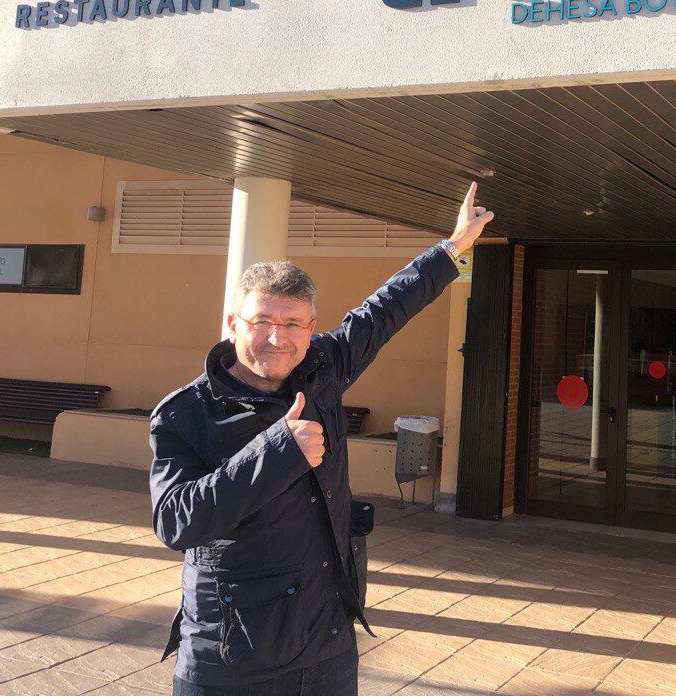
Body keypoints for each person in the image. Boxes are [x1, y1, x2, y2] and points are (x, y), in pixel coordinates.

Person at [149, 183, 494, 696]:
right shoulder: (187, 413)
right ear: (233, 323)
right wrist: (276, 452)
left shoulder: (322, 370)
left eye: (292, 323)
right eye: (262, 320)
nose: (276, 337)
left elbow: (384, 310)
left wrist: (453, 247)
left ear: (311, 328)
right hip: (236, 655)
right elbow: (177, 521)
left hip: (329, 642)